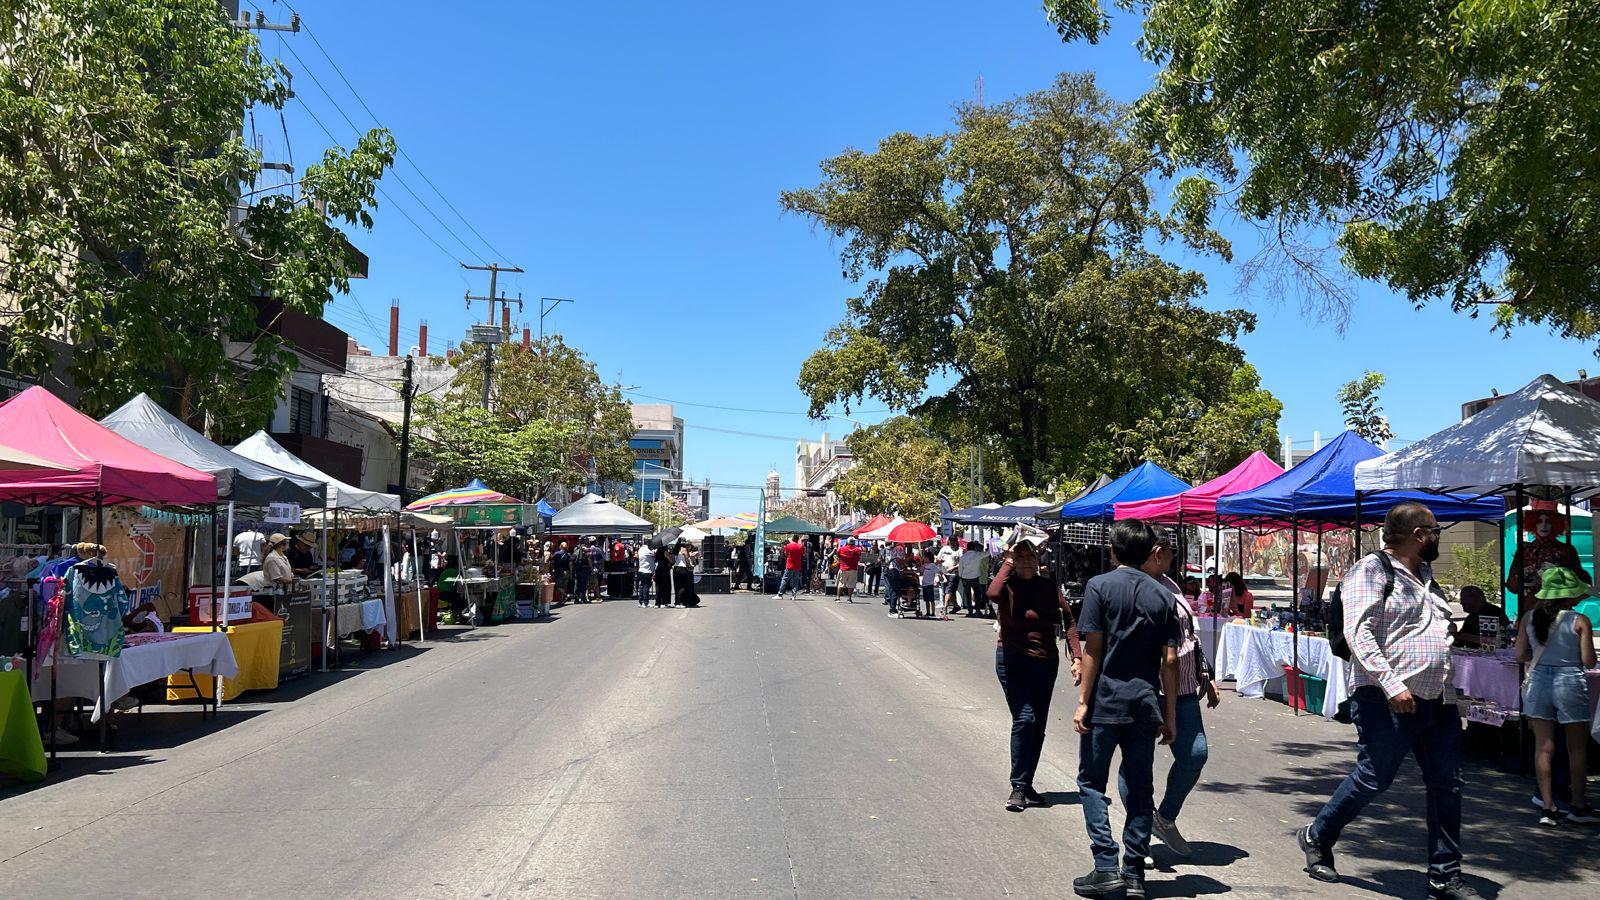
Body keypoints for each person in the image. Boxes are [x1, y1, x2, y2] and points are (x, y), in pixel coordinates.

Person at [1298, 502, 1480, 900]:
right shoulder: (1371, 570)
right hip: (1386, 697)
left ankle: (1445, 875)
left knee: (1448, 784)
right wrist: (1392, 684)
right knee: (1374, 777)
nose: (1438, 537)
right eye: (1435, 530)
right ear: (1418, 535)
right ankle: (1317, 835)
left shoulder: (1426, 573)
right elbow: (1359, 633)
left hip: (1438, 699)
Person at [1071, 519, 1179, 899]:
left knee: (1091, 783)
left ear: (1114, 550)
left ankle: (1105, 865)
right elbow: (1170, 661)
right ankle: (1134, 872)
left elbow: (1093, 650)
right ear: (1150, 552)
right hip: (1144, 705)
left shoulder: (1099, 587)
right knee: (1140, 788)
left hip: (1106, 704)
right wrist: (1170, 716)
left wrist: (1083, 701)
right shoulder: (1163, 596)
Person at [1122, 537, 1218, 858]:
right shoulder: (1131, 587)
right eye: (1169, 551)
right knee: (1137, 765)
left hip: (1184, 686)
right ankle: (1138, 836)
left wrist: (1207, 673)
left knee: (1194, 755)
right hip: (1147, 690)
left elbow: (1188, 634)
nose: (1173, 556)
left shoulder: (1169, 583)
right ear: (1155, 553)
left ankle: (1163, 819)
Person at [989, 526, 1081, 813]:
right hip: (1012, 659)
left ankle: (1026, 782)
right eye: (1021, 557)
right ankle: (1018, 786)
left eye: (1031, 557)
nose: (1027, 562)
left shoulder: (1048, 587)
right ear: (1012, 560)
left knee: (1038, 726)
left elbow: (1070, 620)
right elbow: (992, 594)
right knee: (1025, 719)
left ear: (1039, 560)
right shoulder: (1007, 586)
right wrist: (1007, 560)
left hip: (1045, 662)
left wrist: (1076, 657)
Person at [1516, 567, 1598, 826]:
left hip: (1539, 680)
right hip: (1569, 681)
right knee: (1577, 748)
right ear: (1569, 595)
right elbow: (1588, 661)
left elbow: (1519, 656)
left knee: (1543, 747)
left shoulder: (1529, 617)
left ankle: (1548, 806)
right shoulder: (1579, 620)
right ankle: (1577, 804)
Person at [959, 538, 990, 616]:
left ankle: (970, 611)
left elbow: (960, 568)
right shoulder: (978, 555)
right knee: (977, 594)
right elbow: (987, 553)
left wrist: (960, 575)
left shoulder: (963, 557)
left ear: (967, 547)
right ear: (975, 548)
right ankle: (977, 610)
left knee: (968, 595)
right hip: (975, 577)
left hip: (965, 577)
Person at [937, 536, 962, 614]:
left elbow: (961, 562)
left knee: (949, 590)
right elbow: (938, 557)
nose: (952, 542)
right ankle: (956, 606)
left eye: (954, 540)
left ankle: (945, 607)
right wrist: (938, 560)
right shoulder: (944, 548)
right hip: (944, 572)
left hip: (953, 573)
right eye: (951, 540)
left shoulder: (959, 550)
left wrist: (953, 567)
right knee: (950, 591)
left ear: (956, 541)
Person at [835, 538, 862, 602]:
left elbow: (838, 554)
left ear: (847, 542)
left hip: (843, 568)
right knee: (851, 584)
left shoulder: (842, 549)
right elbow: (859, 555)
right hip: (853, 569)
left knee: (841, 583)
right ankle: (849, 599)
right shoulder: (857, 550)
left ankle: (838, 598)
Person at [918, 550, 941, 618]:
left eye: (925, 557)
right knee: (926, 600)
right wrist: (920, 565)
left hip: (930, 584)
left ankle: (933, 612)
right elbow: (920, 570)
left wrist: (939, 578)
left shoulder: (933, 565)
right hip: (924, 584)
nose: (924, 558)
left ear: (928, 558)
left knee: (931, 599)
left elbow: (938, 572)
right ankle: (928, 612)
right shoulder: (924, 565)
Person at [636, 541, 656, 608]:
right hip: (647, 571)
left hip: (641, 570)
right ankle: (646, 602)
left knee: (642, 585)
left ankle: (641, 602)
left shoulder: (640, 549)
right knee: (646, 586)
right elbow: (654, 555)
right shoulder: (648, 550)